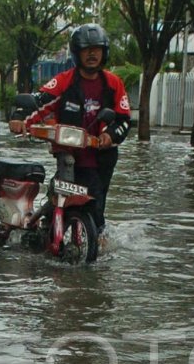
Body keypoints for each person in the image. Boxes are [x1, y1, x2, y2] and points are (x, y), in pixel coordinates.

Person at [25, 24, 131, 233]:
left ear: (104, 52)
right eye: (86, 49)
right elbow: (42, 102)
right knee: (61, 195)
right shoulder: (65, 81)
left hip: (102, 158)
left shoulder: (113, 83)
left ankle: (96, 241)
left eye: (97, 49)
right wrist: (23, 121)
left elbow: (124, 120)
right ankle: (49, 228)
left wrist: (109, 135)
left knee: (97, 204)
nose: (92, 54)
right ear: (77, 52)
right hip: (70, 153)